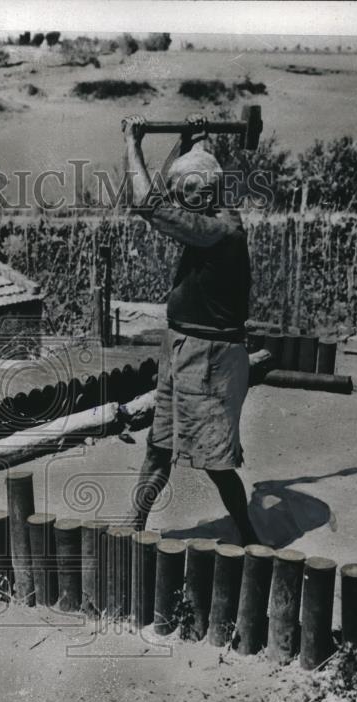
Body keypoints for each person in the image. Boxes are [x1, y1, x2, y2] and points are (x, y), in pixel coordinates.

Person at [121, 113, 261, 546]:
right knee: (158, 447)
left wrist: (133, 144)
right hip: (183, 351)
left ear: (202, 193)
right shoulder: (214, 210)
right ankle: (133, 527)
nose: (179, 202)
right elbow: (183, 186)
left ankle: (250, 537)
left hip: (209, 360)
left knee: (217, 463)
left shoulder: (216, 230)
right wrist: (192, 140)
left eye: (186, 195)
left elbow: (148, 203)